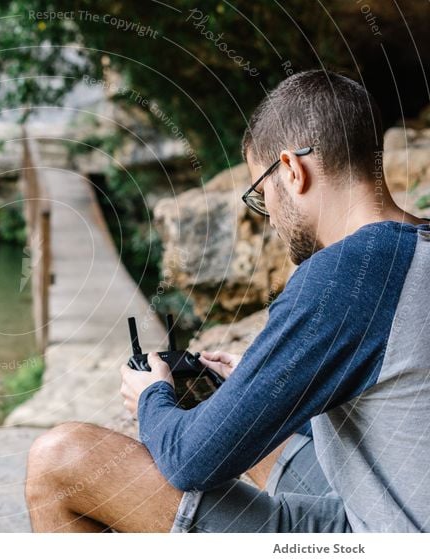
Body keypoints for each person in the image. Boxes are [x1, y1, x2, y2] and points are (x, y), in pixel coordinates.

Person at [24, 70, 430, 533]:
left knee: (60, 461)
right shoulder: (415, 246)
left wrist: (151, 399)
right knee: (251, 433)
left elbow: (190, 462)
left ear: (292, 171)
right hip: (394, 505)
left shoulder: (348, 273)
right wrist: (255, 382)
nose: (270, 216)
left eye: (261, 194)